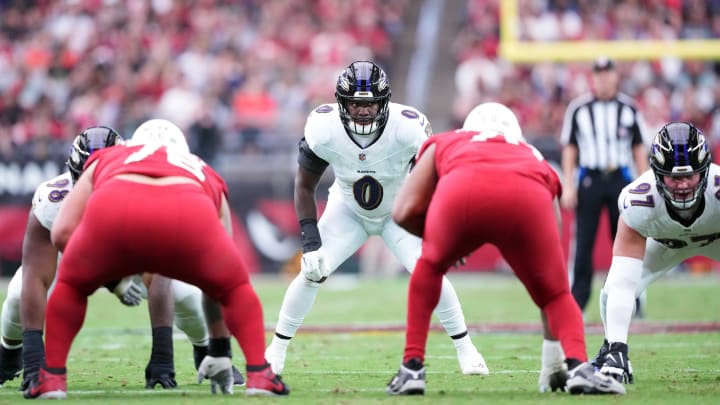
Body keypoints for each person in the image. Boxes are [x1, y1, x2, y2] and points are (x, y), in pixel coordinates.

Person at [23, 119, 288, 399]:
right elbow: (220, 283)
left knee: (71, 284)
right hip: (186, 210)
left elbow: (63, 231)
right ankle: (260, 373)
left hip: (116, 209)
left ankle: (51, 379)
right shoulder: (201, 167)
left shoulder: (109, 157)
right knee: (234, 286)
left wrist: (101, 275)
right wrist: (220, 350)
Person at [264, 60, 488, 377]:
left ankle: (467, 350)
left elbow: (437, 180)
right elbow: (304, 184)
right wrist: (310, 241)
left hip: (400, 210)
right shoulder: (323, 126)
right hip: (347, 209)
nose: (363, 111)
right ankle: (276, 350)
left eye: (370, 104)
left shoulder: (409, 127)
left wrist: (443, 230)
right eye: (356, 104)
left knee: (429, 271)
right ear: (341, 103)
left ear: (384, 103)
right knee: (312, 271)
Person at [386, 102, 626, 396]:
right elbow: (554, 248)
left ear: (469, 127)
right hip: (526, 198)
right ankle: (577, 366)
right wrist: (551, 360)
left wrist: (436, 242)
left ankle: (412, 367)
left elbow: (402, 211)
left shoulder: (449, 140)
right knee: (557, 294)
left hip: (463, 192)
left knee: (429, 267)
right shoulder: (532, 153)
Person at [593, 121, 718, 384]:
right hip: (664, 244)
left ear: (705, 171)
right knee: (611, 290)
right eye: (674, 177)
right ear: (658, 174)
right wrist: (619, 347)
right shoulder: (639, 199)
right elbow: (623, 277)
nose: (682, 185)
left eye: (690, 176)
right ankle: (614, 351)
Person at [560, 56, 649, 313]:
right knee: (583, 243)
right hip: (590, 178)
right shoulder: (578, 109)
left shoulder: (629, 109)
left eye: (607, 73)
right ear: (593, 77)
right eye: (598, 74)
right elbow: (570, 147)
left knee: (628, 239)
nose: (603, 78)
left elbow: (638, 147)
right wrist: (569, 185)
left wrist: (643, 183)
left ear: (615, 76)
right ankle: (577, 300)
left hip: (621, 179)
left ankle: (635, 297)